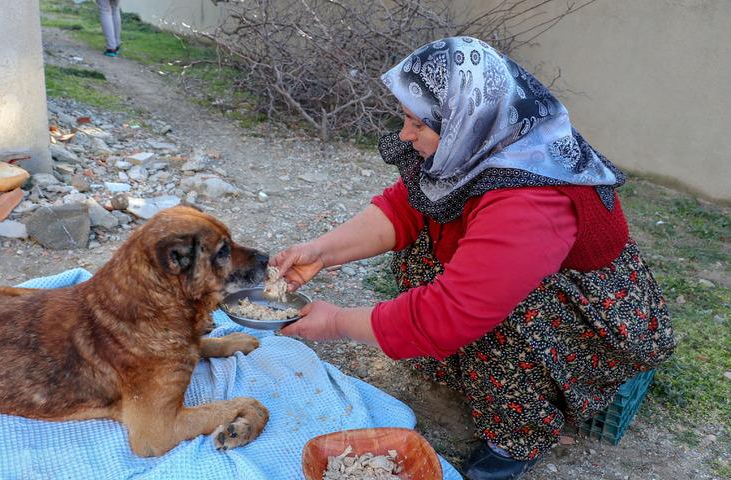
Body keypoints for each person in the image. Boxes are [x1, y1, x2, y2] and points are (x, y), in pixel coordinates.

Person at [271, 36, 675, 480]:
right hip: (525, 277)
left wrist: (334, 323)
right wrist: (321, 253)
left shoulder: (531, 201)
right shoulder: (484, 137)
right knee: (427, 250)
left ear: (463, 117)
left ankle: (517, 438)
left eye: (416, 123)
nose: (406, 135)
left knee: (499, 319)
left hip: (592, 315)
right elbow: (406, 206)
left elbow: (455, 311)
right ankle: (463, 370)